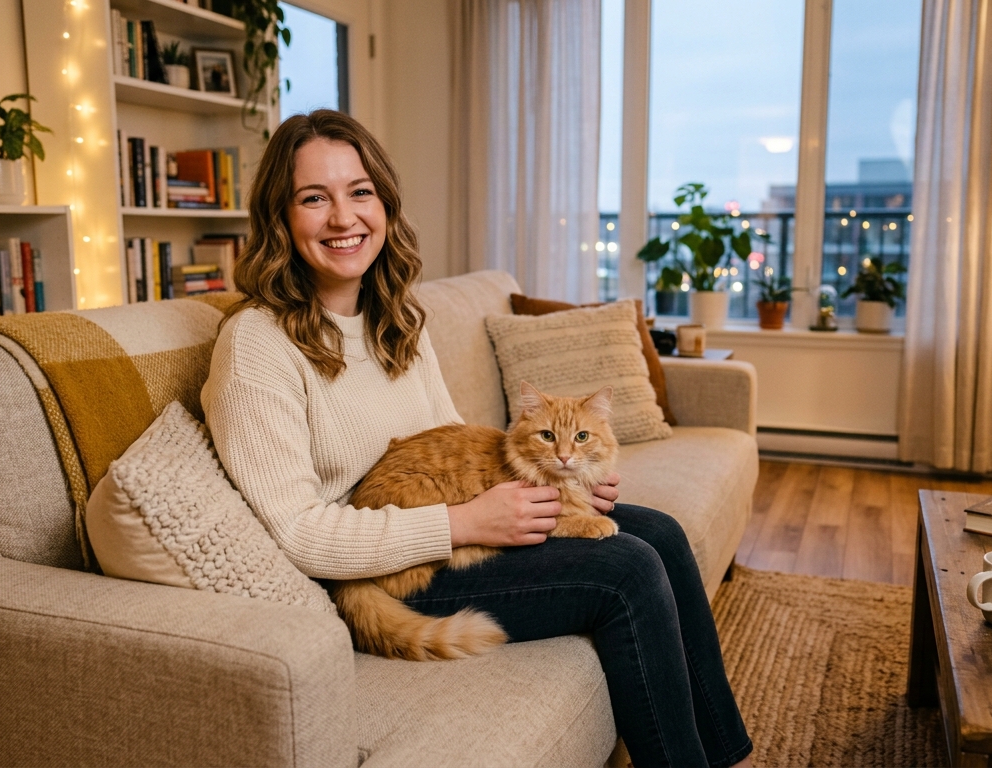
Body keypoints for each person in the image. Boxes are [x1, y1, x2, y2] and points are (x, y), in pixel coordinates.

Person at [200, 109, 754, 768]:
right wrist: (462, 522)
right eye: (313, 198)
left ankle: (723, 756)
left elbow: (455, 441)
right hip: (387, 566)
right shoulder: (257, 345)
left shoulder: (394, 319)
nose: (344, 217)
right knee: (627, 570)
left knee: (657, 531)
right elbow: (296, 532)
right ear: (279, 219)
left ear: (383, 204)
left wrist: (564, 483)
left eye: (359, 192)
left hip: (444, 520)